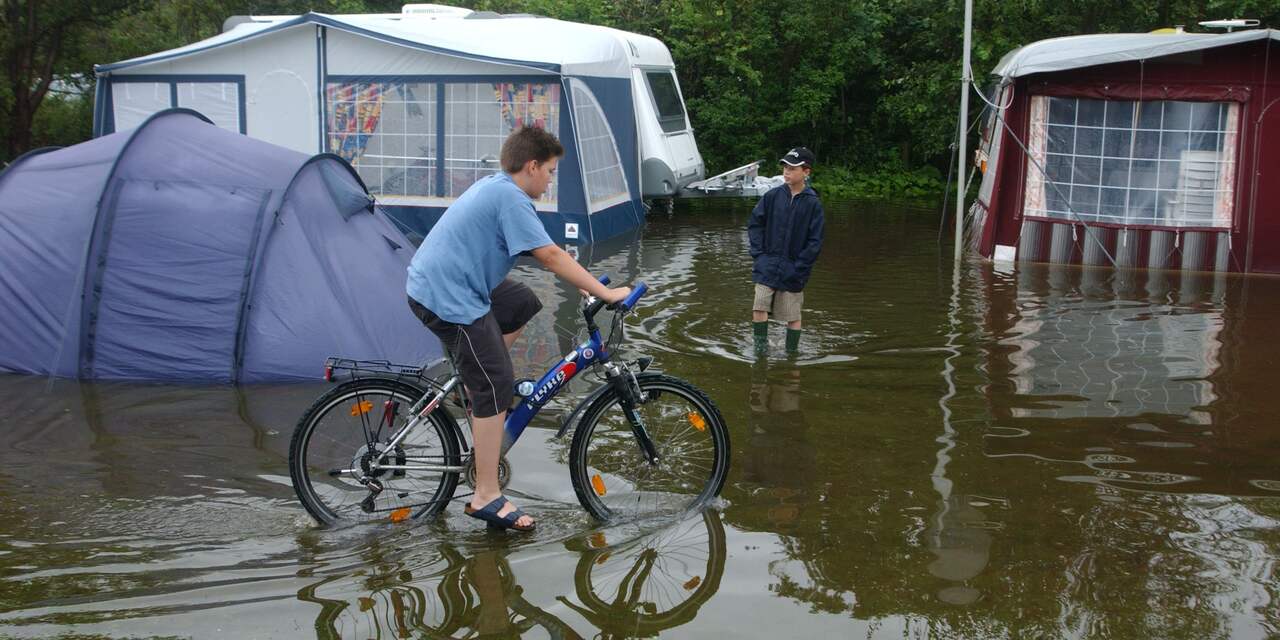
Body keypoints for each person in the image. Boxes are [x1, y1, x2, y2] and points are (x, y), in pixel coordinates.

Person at [406, 126, 630, 532]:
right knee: (497, 382)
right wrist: (606, 294)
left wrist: (587, 288)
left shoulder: (499, 188)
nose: (550, 178)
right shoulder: (510, 197)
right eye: (550, 170)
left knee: (522, 301)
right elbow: (549, 255)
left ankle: (475, 382)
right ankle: (486, 495)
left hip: (452, 284)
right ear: (531, 166)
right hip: (446, 295)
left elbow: (547, 256)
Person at [748, 146, 825, 354]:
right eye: (785, 167)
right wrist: (759, 256)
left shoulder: (813, 203)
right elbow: (755, 224)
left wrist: (799, 267)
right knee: (759, 307)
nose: (786, 172)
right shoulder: (772, 196)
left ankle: (792, 356)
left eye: (792, 168)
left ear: (806, 172)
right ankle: (760, 353)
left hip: (794, 269)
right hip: (767, 265)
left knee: (793, 315)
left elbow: (815, 241)